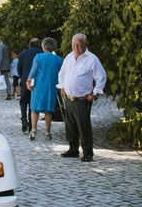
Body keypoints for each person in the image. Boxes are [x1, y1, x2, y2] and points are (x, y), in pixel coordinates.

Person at [57, 33, 107, 162]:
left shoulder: (92, 59)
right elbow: (62, 73)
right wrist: (62, 86)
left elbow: (101, 77)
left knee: (83, 126)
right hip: (69, 97)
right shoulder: (69, 57)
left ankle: (88, 153)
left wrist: (95, 93)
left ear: (85, 45)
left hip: (82, 99)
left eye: (78, 45)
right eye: (73, 45)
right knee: (70, 125)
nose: (75, 48)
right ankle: (73, 149)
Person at [26, 37, 62, 141]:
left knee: (35, 109)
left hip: (39, 86)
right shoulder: (58, 59)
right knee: (48, 110)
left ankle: (33, 130)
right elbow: (62, 73)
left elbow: (33, 70)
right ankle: (47, 132)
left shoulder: (38, 57)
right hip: (51, 87)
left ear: (43, 46)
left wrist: (28, 80)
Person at [17, 38, 42, 132]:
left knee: (23, 101)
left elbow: (19, 68)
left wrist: (22, 77)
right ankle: (32, 125)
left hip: (25, 80)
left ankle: (24, 119)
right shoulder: (41, 53)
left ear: (29, 44)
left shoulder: (23, 53)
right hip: (36, 82)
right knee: (33, 103)